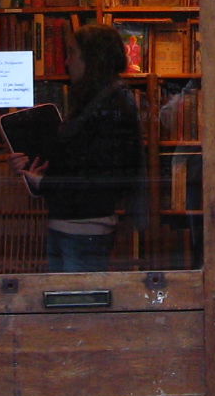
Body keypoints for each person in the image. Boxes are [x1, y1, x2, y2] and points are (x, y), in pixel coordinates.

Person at [10, 23, 145, 271]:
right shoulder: (96, 101)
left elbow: (104, 176)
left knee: (76, 303)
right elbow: (81, 164)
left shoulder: (110, 104)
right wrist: (36, 172)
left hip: (85, 227)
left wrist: (44, 183)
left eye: (72, 52)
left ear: (92, 59)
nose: (65, 62)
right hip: (72, 224)